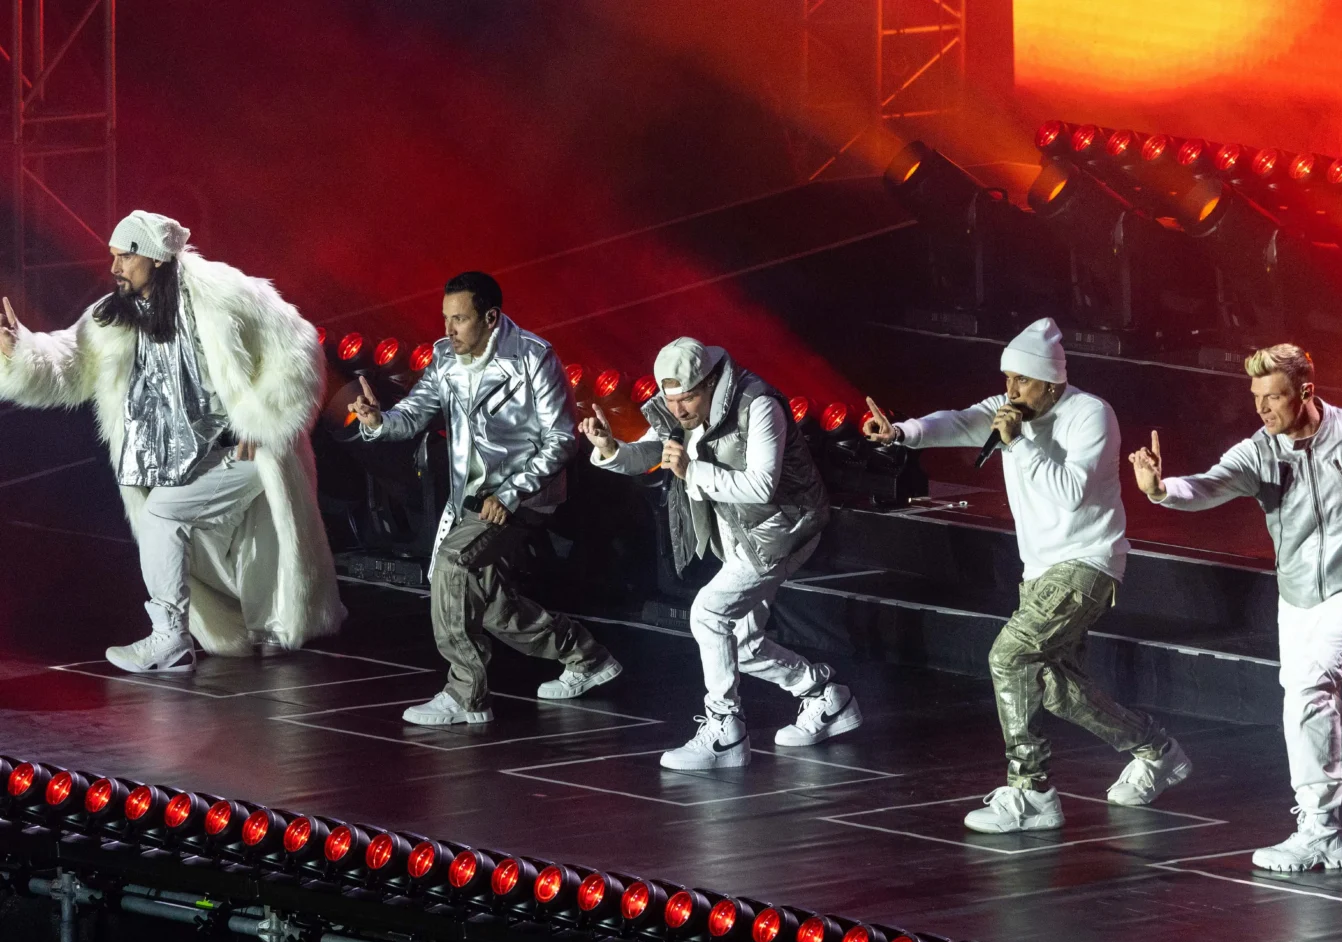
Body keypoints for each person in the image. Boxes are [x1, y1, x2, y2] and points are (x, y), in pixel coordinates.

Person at [865, 317, 1189, 832]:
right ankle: (1157, 750)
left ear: (1052, 383)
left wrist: (1018, 443)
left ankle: (1032, 792)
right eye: (1006, 379)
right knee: (1055, 687)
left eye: (1021, 381)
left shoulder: (1090, 415)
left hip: (1088, 563)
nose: (1008, 391)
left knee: (1009, 655)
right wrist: (904, 432)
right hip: (1039, 571)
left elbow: (1070, 492)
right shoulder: (1006, 412)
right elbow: (957, 421)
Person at [1130, 343, 1342, 872]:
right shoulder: (1260, 451)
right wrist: (1161, 490)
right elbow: (1208, 485)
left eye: (1273, 397)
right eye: (1256, 399)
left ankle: (1319, 831)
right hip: (1295, 600)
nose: (1263, 410)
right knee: (1316, 704)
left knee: (1309, 691)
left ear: (1306, 392)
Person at [0, 211, 344, 672]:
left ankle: (170, 637)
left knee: (165, 515)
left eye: (126, 256)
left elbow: (298, 344)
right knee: (233, 539)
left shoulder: (223, 293)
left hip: (245, 451)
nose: (116, 267)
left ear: (158, 259)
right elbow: (68, 361)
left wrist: (259, 424)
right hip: (183, 459)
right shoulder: (114, 315)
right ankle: (265, 628)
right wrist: (18, 349)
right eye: (114, 257)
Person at [579, 337, 861, 770]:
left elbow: (761, 486)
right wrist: (610, 448)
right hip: (738, 531)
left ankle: (726, 731)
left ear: (712, 382)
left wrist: (693, 471)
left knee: (709, 615)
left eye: (688, 398)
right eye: (671, 399)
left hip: (782, 527)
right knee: (742, 644)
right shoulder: (678, 408)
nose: (679, 410)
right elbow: (650, 455)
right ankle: (826, 696)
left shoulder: (758, 405)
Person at [351, 271, 620, 725]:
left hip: (526, 495)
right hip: (469, 499)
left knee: (454, 565)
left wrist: (511, 493)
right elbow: (413, 415)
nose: (448, 330)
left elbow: (561, 439)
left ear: (490, 317)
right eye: (445, 319)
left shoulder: (534, 357)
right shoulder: (444, 358)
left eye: (460, 319)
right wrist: (378, 421)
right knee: (490, 604)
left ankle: (465, 695)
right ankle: (587, 657)